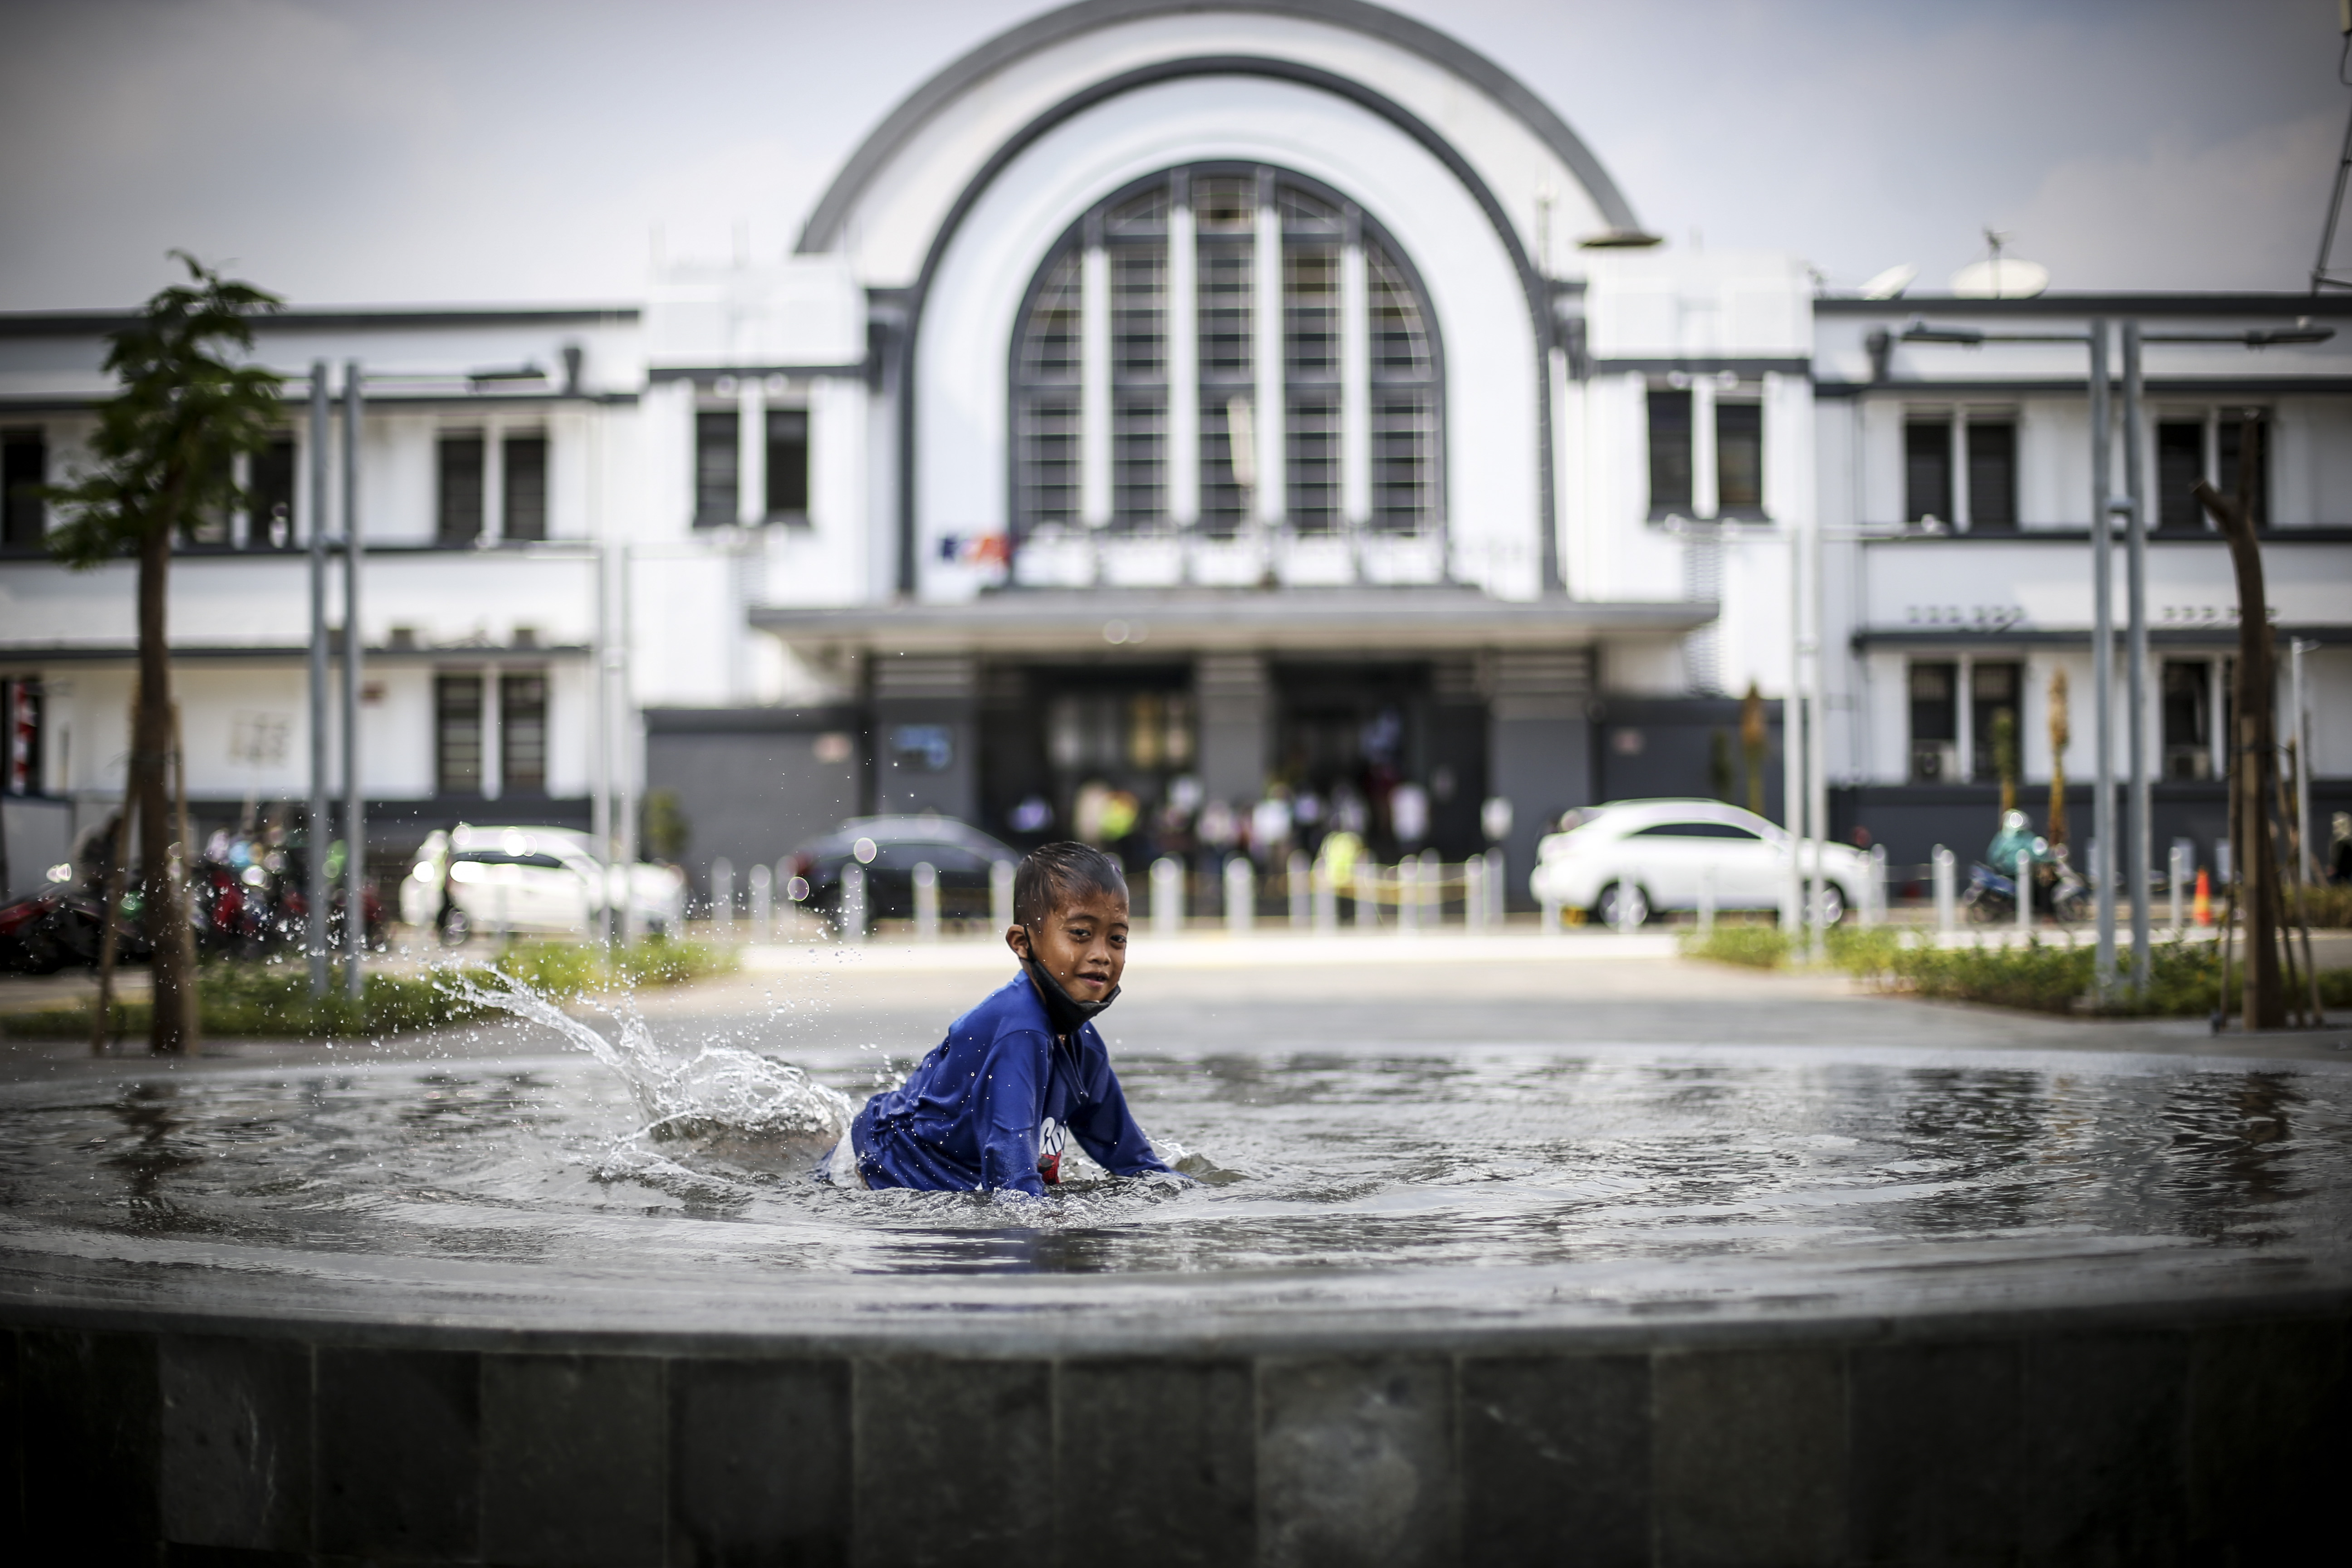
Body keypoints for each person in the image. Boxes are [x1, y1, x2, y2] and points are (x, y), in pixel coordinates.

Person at [822, 841, 1176, 1195]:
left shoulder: (1084, 1046)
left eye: (1117, 938)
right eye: (1080, 934)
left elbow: (1135, 1162)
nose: (1102, 955)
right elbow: (1014, 1189)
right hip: (870, 1170)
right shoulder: (1021, 1034)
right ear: (1022, 943)